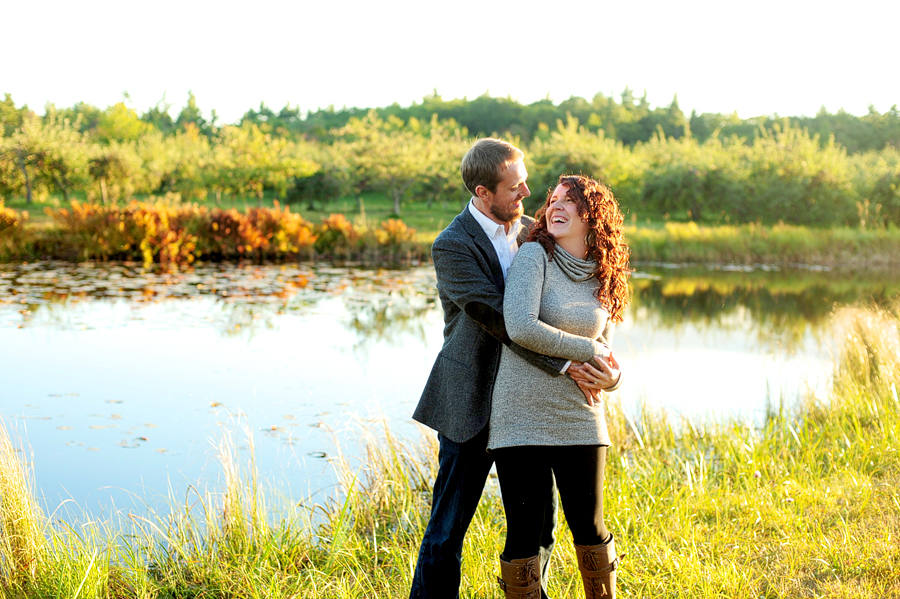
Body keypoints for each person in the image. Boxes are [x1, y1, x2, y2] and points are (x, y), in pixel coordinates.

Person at [410, 139, 603, 599]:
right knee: (446, 532)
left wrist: (603, 363)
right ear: (483, 192)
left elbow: (579, 304)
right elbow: (500, 319)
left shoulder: (538, 234)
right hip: (471, 399)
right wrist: (571, 360)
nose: (527, 193)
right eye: (515, 187)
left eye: (526, 182)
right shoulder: (452, 246)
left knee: (540, 529)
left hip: (531, 403)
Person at [489, 174, 630, 599]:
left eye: (570, 201)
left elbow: (605, 349)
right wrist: (585, 348)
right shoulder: (535, 256)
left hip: (580, 415)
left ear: (594, 217)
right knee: (525, 533)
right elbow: (519, 325)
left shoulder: (602, 272)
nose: (555, 206)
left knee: (589, 525)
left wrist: (614, 377)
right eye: (552, 200)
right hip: (521, 413)